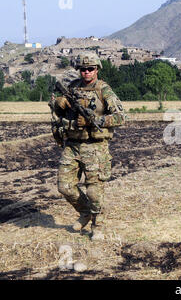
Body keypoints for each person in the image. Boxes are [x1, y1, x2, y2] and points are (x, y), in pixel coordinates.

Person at [49, 52, 127, 240]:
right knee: (65, 186)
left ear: (97, 69)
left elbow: (121, 117)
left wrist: (95, 121)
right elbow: (57, 112)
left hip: (95, 147)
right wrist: (60, 104)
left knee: (93, 191)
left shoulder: (104, 90)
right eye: (83, 69)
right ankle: (85, 213)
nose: (86, 72)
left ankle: (97, 224)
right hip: (73, 145)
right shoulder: (72, 88)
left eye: (90, 69)